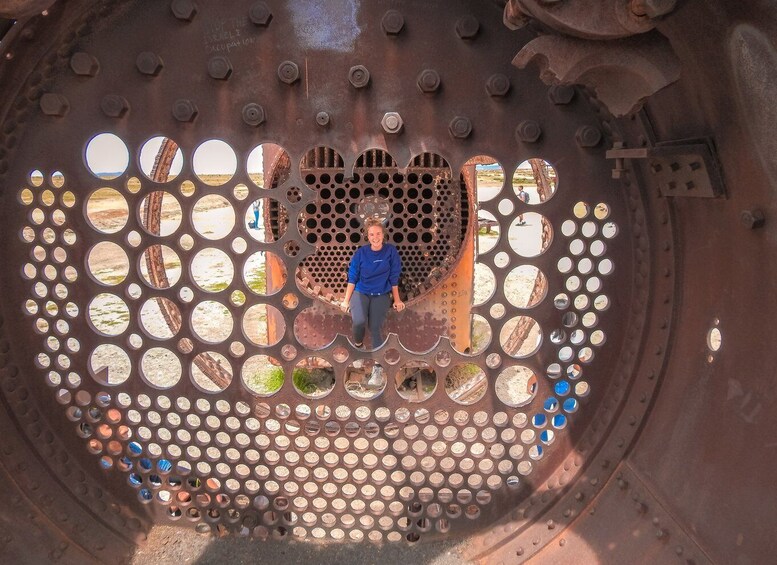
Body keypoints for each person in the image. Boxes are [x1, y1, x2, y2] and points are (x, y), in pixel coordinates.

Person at [341, 218, 405, 348]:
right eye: (371, 234)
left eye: (378, 234)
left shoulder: (390, 251)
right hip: (361, 292)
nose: (375, 237)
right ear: (367, 236)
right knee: (359, 322)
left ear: (383, 235)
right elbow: (352, 278)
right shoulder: (361, 253)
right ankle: (358, 345)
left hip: (381, 294)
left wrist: (397, 300)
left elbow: (394, 277)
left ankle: (378, 364)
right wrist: (346, 300)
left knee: (375, 327)